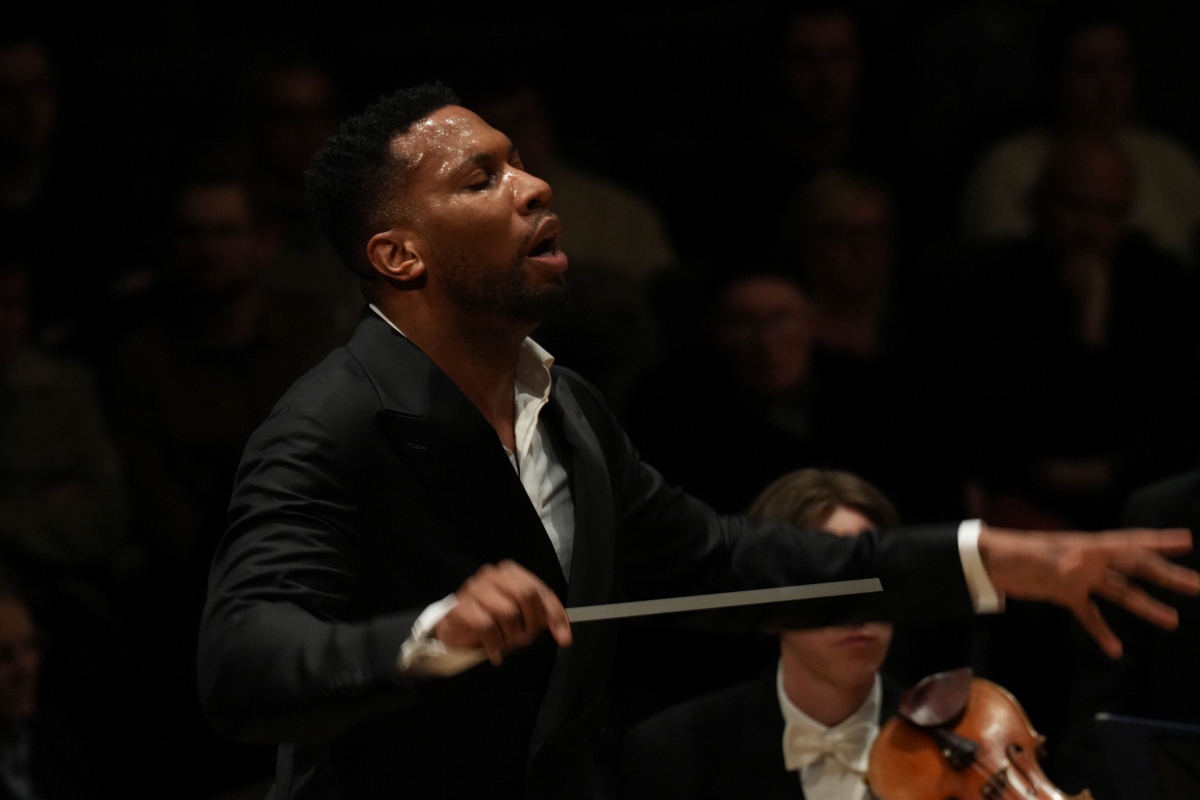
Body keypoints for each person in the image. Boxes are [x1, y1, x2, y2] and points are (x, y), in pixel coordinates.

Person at [196, 82, 1198, 799]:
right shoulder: (327, 424)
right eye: (483, 177)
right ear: (398, 252)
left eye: (522, 159)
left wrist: (988, 557)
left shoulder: (570, 406)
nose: (536, 185)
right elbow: (244, 661)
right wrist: (428, 634)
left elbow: (737, 559)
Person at [619, 469, 902, 799]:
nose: (858, 605)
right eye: (829, 580)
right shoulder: (671, 754)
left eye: (873, 574)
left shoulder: (961, 742)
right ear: (768, 603)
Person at [963, 16, 1200, 262]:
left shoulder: (1169, 160)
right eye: (1087, 69)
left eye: (1120, 67)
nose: (1108, 87)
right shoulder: (1007, 168)